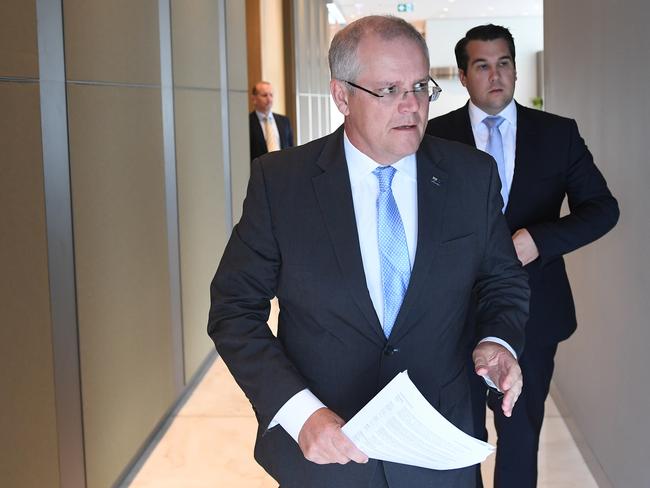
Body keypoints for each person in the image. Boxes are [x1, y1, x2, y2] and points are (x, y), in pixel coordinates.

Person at [209, 16, 530, 488]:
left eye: (421, 87)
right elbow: (234, 311)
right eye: (389, 89)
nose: (411, 105)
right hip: (324, 453)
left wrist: (497, 341)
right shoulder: (282, 184)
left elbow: (502, 280)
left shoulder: (471, 175)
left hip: (438, 449)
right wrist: (301, 414)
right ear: (342, 96)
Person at [425, 24, 619, 488]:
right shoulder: (435, 137)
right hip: (454, 316)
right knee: (460, 433)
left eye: (504, 63)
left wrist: (540, 239)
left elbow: (603, 210)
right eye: (483, 65)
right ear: (464, 76)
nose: (496, 75)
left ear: (515, 69)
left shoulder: (558, 134)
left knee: (521, 432)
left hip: (536, 312)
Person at [249, 80, 294, 160]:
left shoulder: (284, 121)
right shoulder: (247, 122)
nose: (269, 99)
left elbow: (291, 149)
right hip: (259, 170)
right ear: (254, 99)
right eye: (264, 95)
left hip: (283, 168)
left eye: (271, 95)